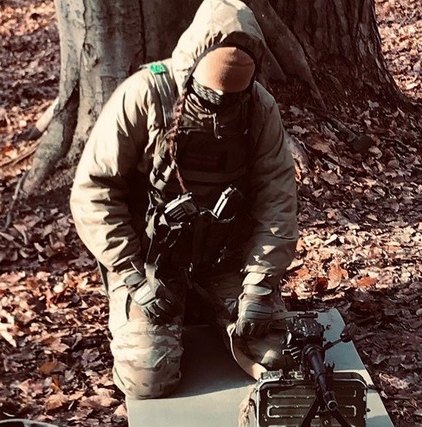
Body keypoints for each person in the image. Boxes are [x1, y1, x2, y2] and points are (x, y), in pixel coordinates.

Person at [70, 0, 298, 400]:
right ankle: (172, 310)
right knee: (148, 378)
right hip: (150, 263)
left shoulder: (260, 108)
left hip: (225, 258)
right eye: (211, 95)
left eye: (234, 97)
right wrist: (132, 276)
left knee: (276, 354)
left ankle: (208, 303)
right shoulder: (144, 95)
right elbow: (94, 191)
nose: (222, 104)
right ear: (190, 69)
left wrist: (260, 286)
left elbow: (277, 199)